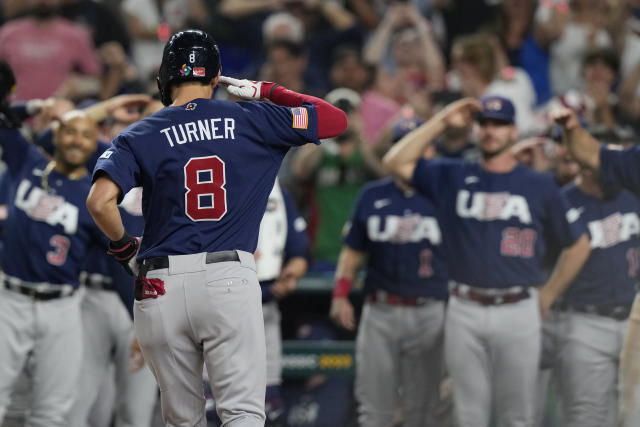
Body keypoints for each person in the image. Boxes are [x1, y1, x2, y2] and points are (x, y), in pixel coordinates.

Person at [85, 29, 347, 426]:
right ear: (216, 76)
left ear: (165, 75)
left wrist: (126, 251)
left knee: (182, 420)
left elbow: (99, 202)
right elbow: (334, 119)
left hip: (160, 284)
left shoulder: (139, 133)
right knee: (241, 414)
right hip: (227, 278)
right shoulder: (255, 118)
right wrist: (264, 90)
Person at [383, 95, 591, 427]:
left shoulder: (538, 184)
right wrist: (441, 120)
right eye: (485, 124)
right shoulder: (452, 174)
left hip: (518, 307)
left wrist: (549, 294)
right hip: (464, 305)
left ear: (514, 132)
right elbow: (394, 162)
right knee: (468, 417)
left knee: (518, 418)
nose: (490, 131)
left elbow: (579, 243)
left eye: (499, 124)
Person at [329, 139, 448, 425]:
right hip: (380, 310)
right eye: (402, 144)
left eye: (421, 147)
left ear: (431, 151)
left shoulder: (445, 195)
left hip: (430, 311)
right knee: (374, 408)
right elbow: (353, 250)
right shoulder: (372, 195)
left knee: (424, 409)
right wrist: (340, 294)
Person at [0, 109, 103, 425]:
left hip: (62, 308)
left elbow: (116, 257)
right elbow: (4, 117)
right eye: (70, 131)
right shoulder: (28, 161)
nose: (77, 141)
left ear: (93, 146)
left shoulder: (94, 196)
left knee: (51, 411)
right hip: (9, 300)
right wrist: (36, 107)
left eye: (87, 135)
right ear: (55, 135)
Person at [553, 106, 640, 427]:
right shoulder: (561, 200)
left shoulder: (630, 197)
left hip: (629, 312)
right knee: (588, 417)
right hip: (585, 319)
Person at [253, 178, 309, 426]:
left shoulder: (279, 194)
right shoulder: (220, 184)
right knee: (212, 405)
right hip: (220, 308)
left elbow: (300, 253)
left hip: (266, 307)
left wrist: (291, 273)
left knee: (270, 407)